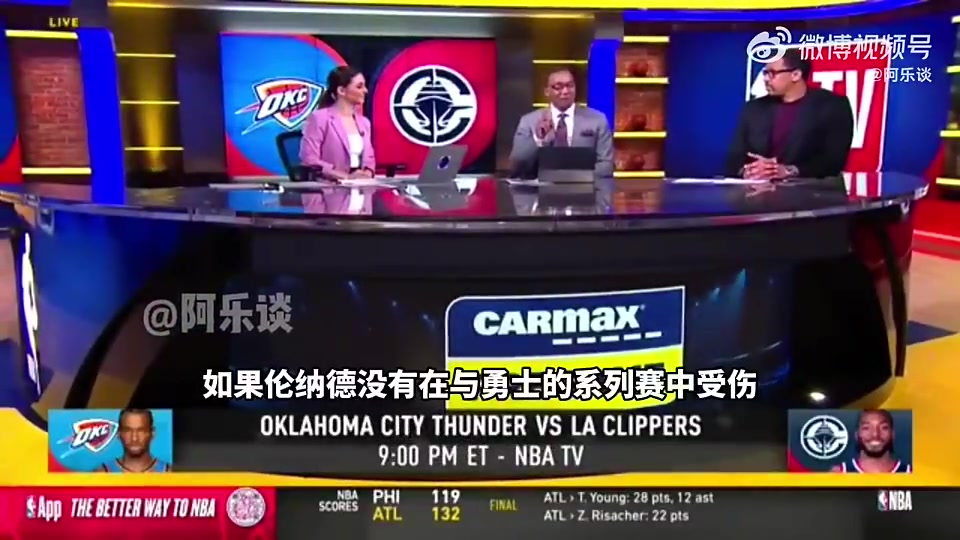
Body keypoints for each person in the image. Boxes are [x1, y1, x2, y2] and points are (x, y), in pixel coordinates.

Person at [726, 47, 854, 180]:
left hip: (811, 189)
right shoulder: (753, 108)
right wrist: (747, 171)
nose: (766, 79)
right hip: (757, 188)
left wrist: (788, 171)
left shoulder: (832, 106)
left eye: (772, 73)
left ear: (796, 75)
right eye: (765, 73)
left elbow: (834, 160)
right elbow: (735, 158)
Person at [509, 66, 613, 178]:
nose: (565, 91)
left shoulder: (597, 120)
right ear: (547, 91)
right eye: (558, 87)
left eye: (570, 86)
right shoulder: (529, 121)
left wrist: (578, 178)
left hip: (585, 186)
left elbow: (606, 164)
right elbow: (517, 164)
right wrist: (539, 140)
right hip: (539, 187)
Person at [300, 65, 376, 181]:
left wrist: (367, 173)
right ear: (341, 91)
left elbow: (369, 159)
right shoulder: (319, 118)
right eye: (359, 87)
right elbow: (309, 159)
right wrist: (345, 177)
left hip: (361, 186)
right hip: (329, 187)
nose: (365, 91)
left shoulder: (365, 123)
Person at [832, 410, 912, 473]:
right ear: (857, 435)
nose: (875, 434)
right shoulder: (839, 473)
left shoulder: (910, 473)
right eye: (866, 428)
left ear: (892, 434)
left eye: (883, 427)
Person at [99, 408, 171, 473]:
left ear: (152, 433)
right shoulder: (101, 474)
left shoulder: (170, 473)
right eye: (127, 430)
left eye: (141, 430)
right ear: (118, 433)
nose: (134, 438)